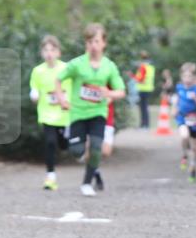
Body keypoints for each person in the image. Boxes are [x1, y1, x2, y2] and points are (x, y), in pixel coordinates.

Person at [55, 23, 126, 197]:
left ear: (104, 43)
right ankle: (89, 161)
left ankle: (87, 183)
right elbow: (58, 79)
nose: (93, 46)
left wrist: (109, 93)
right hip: (78, 113)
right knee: (77, 151)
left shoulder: (109, 66)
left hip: (98, 113)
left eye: (96, 41)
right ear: (85, 44)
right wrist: (61, 99)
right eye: (89, 42)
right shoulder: (77, 64)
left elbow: (121, 91)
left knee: (96, 147)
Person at [29, 35, 71, 191]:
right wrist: (34, 94)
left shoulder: (66, 68)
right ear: (41, 53)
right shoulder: (37, 71)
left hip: (64, 114)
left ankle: (66, 139)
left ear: (58, 52)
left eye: (52, 50)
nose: (49, 53)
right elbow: (34, 88)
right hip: (46, 114)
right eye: (46, 50)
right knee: (50, 142)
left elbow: (75, 84)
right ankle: (50, 176)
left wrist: (68, 99)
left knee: (64, 145)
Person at [174, 62, 196, 183]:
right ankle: (184, 155)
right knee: (184, 135)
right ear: (182, 78)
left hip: (194, 119)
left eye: (190, 77)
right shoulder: (179, 88)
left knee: (195, 148)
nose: (187, 79)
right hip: (182, 118)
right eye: (185, 76)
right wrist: (174, 109)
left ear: (193, 78)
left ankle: (193, 168)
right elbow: (176, 100)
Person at [133, 51, 155, 129]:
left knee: (143, 108)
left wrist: (132, 76)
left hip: (143, 89)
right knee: (144, 108)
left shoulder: (143, 67)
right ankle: (145, 124)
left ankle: (144, 125)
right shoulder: (151, 67)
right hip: (148, 89)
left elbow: (139, 78)